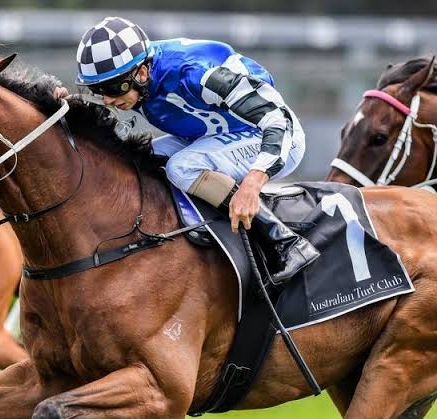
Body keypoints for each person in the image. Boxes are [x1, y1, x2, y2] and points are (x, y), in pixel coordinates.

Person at [63, 16, 319, 283]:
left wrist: (253, 183)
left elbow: (278, 120)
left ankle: (284, 241)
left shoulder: (196, 73)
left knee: (182, 167)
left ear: (142, 73)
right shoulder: (136, 76)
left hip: (271, 136)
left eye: (112, 87)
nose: (106, 99)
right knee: (136, 158)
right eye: (97, 89)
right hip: (211, 135)